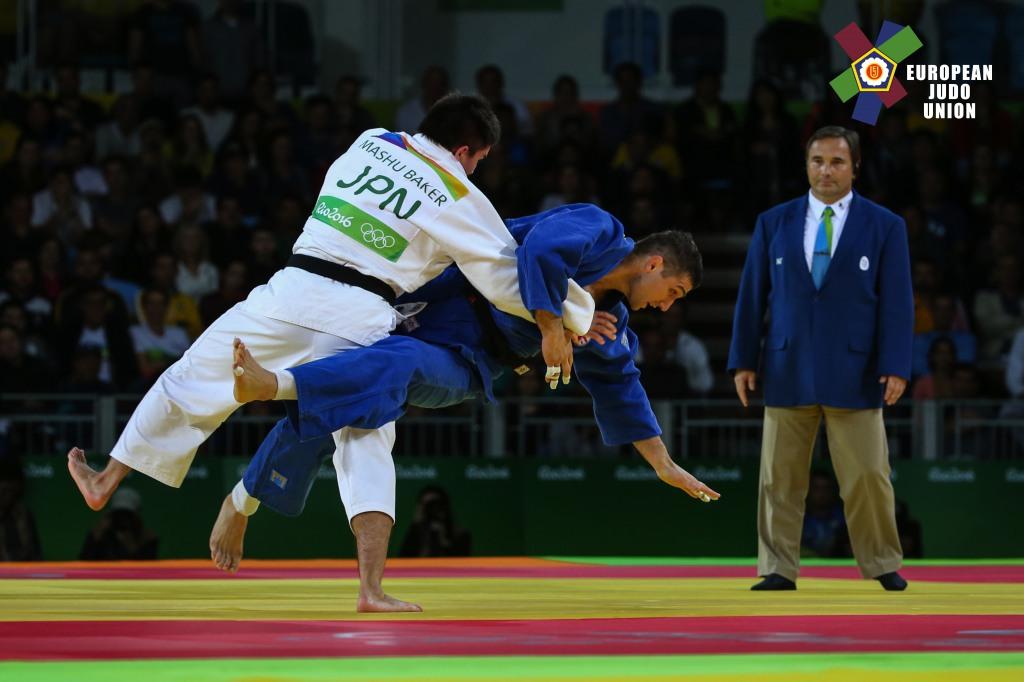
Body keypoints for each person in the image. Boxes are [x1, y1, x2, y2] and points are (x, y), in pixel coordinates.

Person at [66, 95, 595, 607]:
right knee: (365, 438)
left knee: (194, 376)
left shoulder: (372, 141)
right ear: (464, 152)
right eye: (478, 160)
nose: (476, 170)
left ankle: (107, 479)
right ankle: (371, 589)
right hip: (360, 313)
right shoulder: (459, 193)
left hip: (290, 289)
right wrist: (568, 320)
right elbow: (504, 274)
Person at [212, 205, 719, 612]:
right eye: (672, 292)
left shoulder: (608, 321)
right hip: (434, 302)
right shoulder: (599, 229)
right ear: (654, 264)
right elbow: (541, 249)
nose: (665, 307)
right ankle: (244, 498)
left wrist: (663, 463)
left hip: (466, 361)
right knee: (346, 402)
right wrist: (553, 326)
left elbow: (619, 384)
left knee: (400, 365)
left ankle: (274, 385)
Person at [727, 126, 913, 592]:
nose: (826, 170)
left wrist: (895, 363)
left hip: (856, 368)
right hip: (787, 364)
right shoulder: (774, 222)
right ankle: (777, 567)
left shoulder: (885, 225)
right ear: (806, 165)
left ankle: (882, 561)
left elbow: (897, 302)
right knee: (778, 477)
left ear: (855, 168)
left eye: (836, 162)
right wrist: (743, 360)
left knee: (868, 475)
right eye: (817, 161)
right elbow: (752, 297)